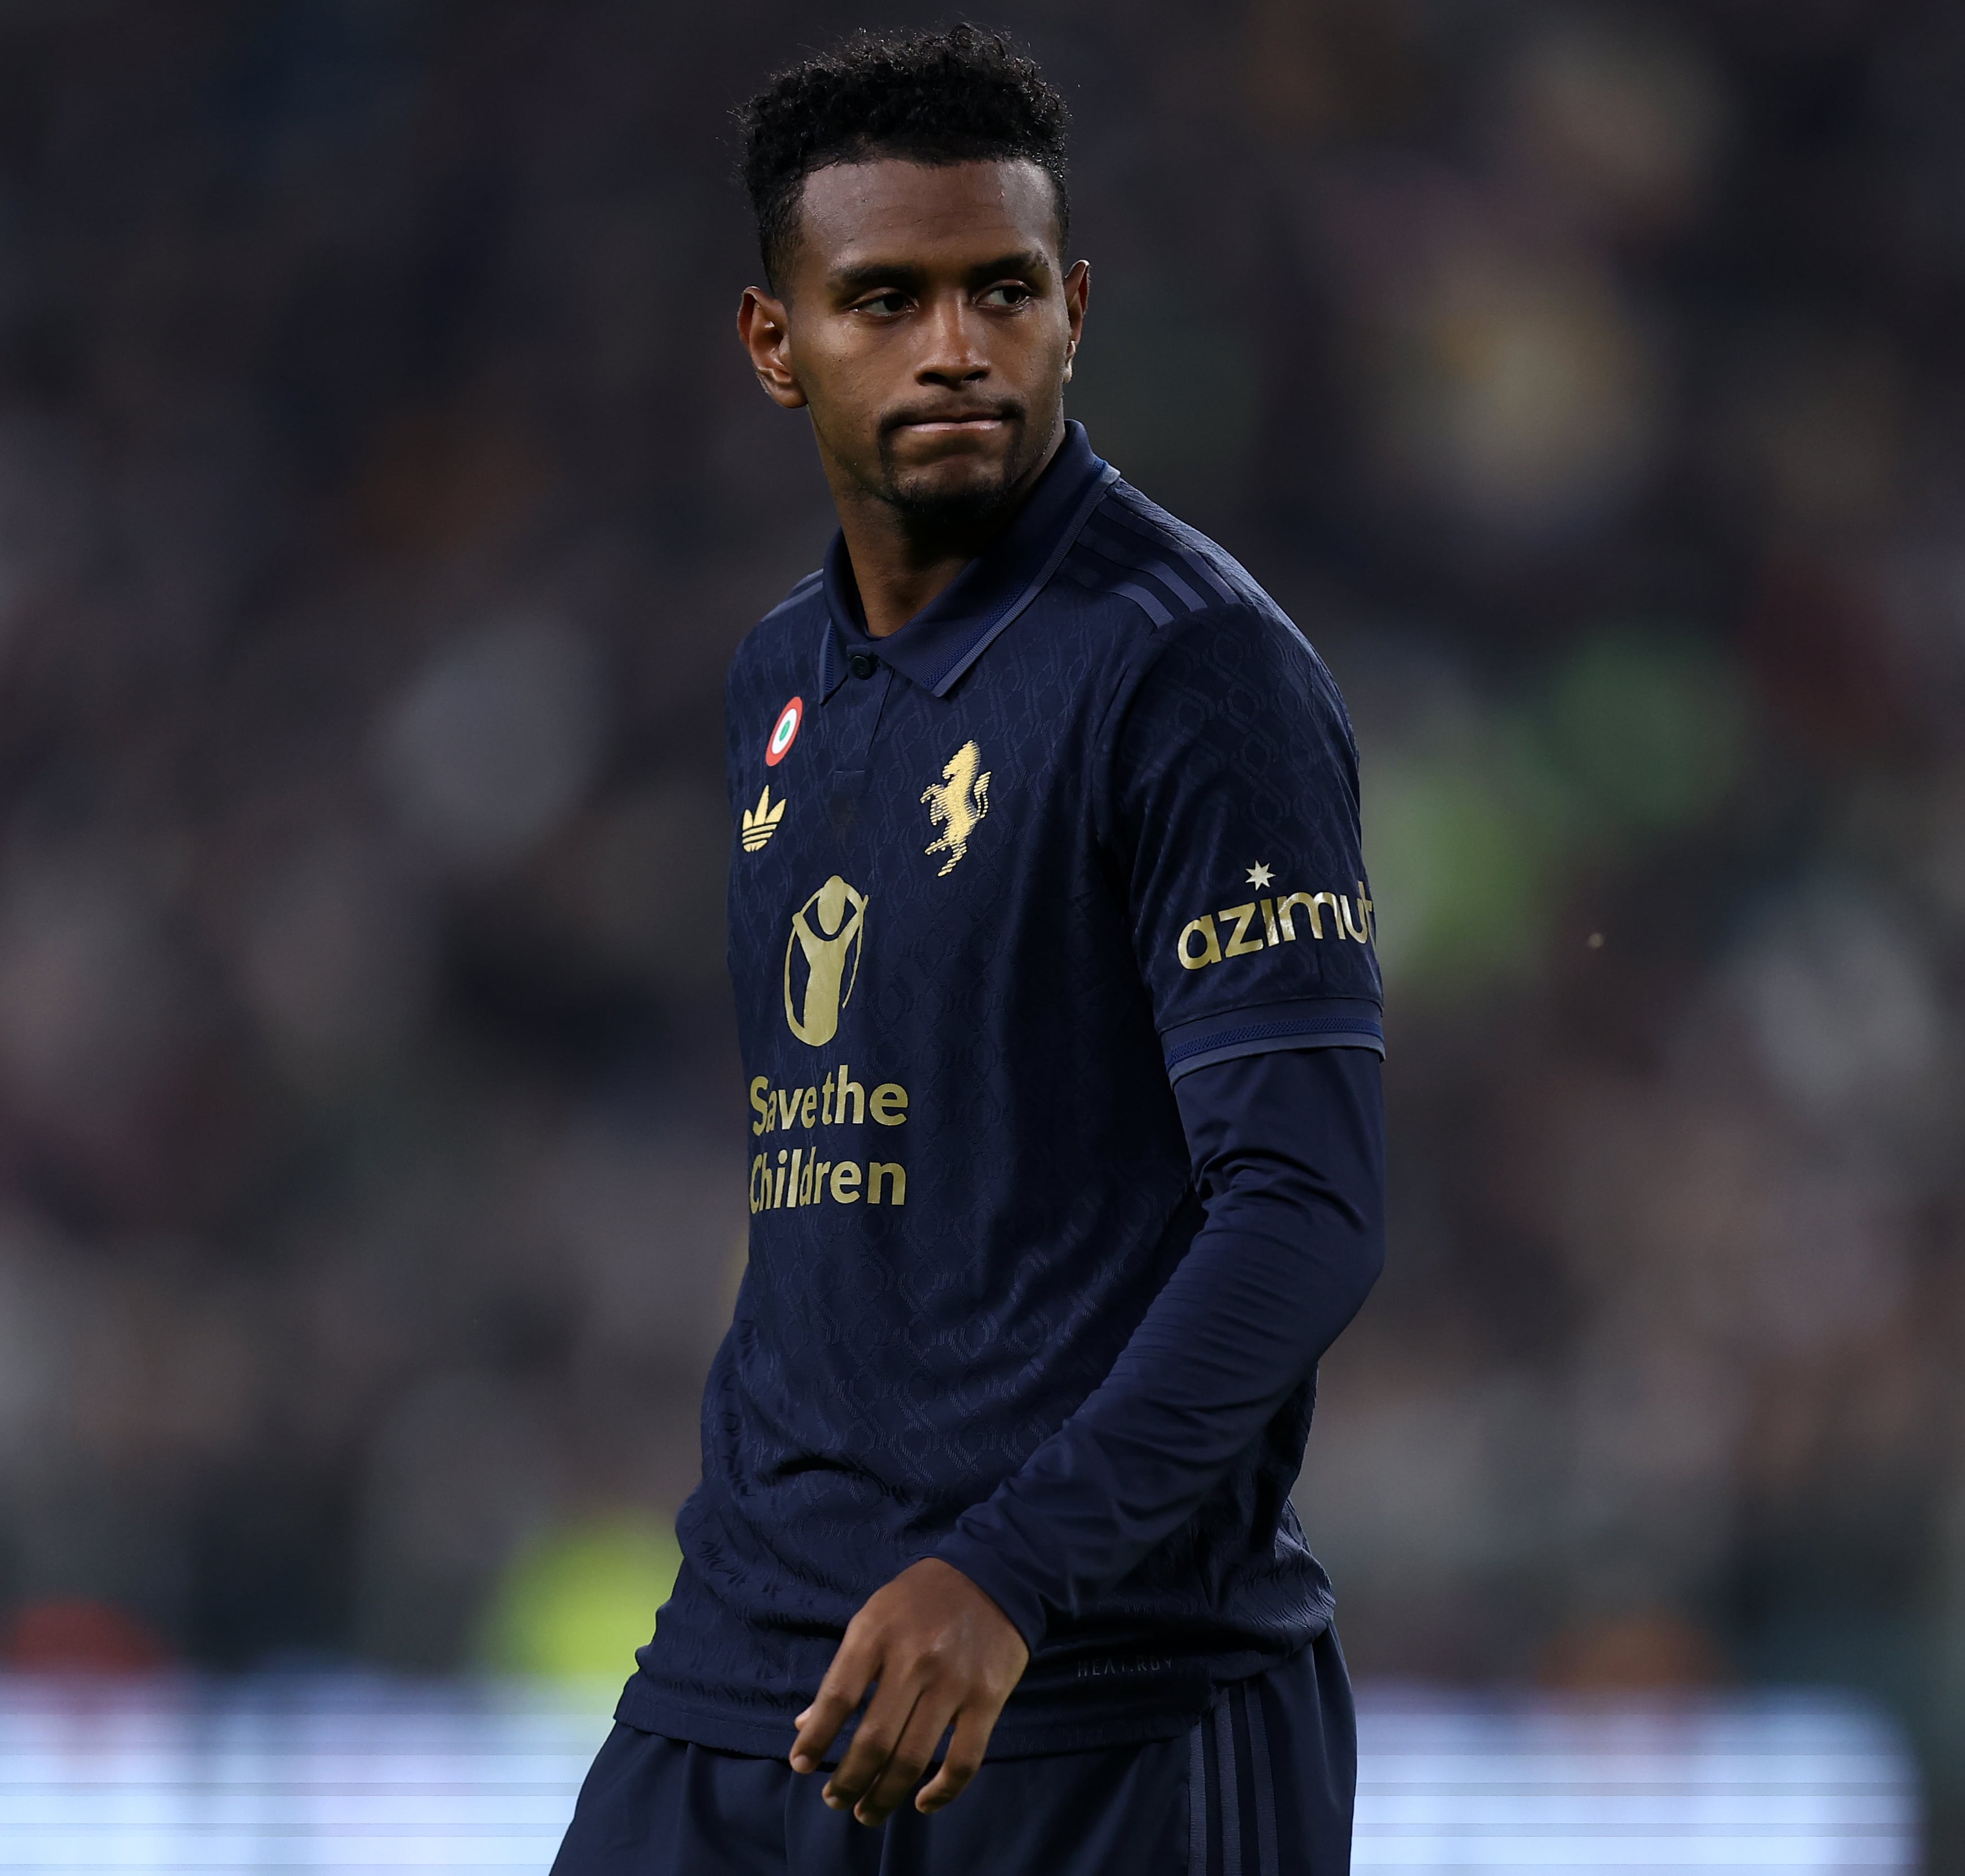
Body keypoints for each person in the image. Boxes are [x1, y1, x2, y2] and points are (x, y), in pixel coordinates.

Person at [553, 25, 1385, 1875]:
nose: (954, 346)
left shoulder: (1191, 670)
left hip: (1097, 1696)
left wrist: (1010, 1571)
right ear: (776, 344)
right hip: (752, 1677)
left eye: (1002, 288)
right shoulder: (777, 683)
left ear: (1074, 305)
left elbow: (1307, 1207)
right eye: (884, 299)